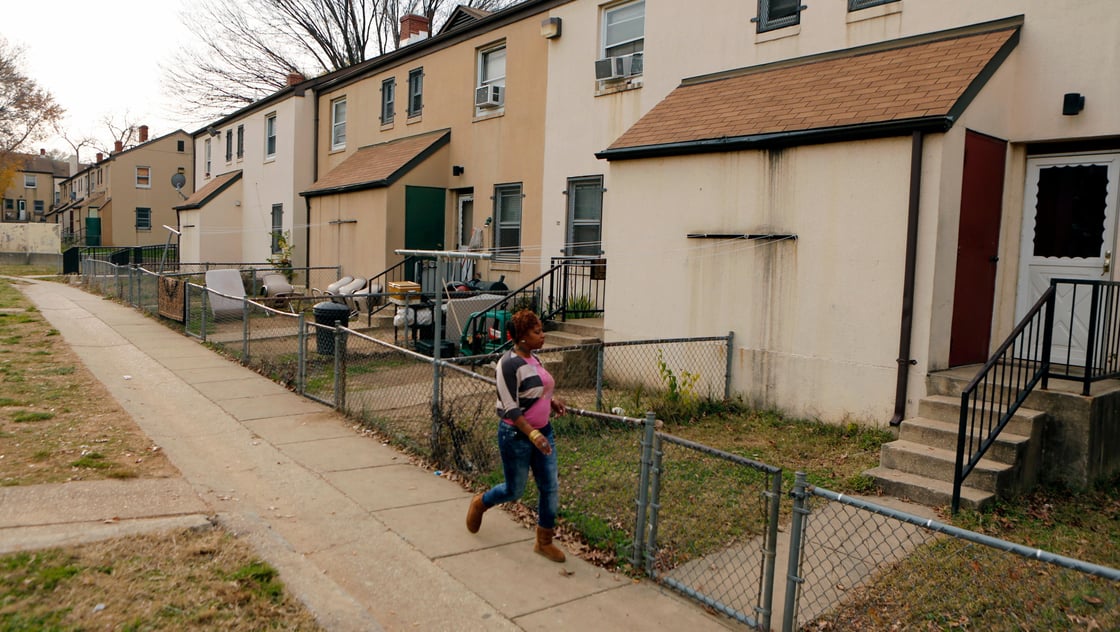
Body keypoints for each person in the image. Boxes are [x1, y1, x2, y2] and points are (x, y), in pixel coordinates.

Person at [465, 309, 567, 562]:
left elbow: (537, 389)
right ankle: (481, 502)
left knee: (550, 486)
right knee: (514, 490)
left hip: (544, 432)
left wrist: (551, 401)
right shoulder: (508, 364)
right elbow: (510, 406)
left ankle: (544, 541)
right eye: (537, 332)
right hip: (516, 436)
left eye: (541, 330)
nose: (542, 336)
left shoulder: (534, 359)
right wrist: (532, 434)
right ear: (521, 337)